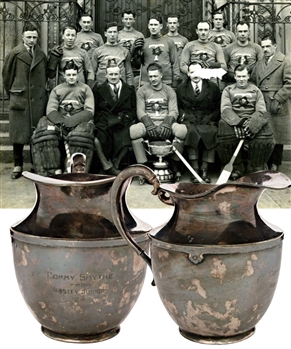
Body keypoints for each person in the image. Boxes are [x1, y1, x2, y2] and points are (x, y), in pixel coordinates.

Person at [2, 23, 50, 179]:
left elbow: (47, 74)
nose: (31, 40)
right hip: (20, 99)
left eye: (34, 37)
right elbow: (7, 77)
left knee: (36, 134)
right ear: (22, 37)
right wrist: (14, 93)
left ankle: (36, 164)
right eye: (28, 37)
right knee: (18, 135)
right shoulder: (14, 54)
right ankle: (18, 165)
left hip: (37, 100)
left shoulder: (41, 54)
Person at [31, 60, 95, 176]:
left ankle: (74, 170)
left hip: (79, 121)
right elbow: (51, 109)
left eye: (74, 74)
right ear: (64, 75)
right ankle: (51, 170)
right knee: (45, 134)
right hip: (60, 121)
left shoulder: (85, 89)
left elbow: (89, 110)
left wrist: (71, 122)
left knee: (79, 137)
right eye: (69, 75)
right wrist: (62, 123)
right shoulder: (57, 89)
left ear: (78, 75)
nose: (71, 77)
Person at [129, 63, 187, 181]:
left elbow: (174, 111)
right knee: (134, 131)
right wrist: (149, 124)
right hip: (149, 123)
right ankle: (143, 167)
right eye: (150, 76)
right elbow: (140, 111)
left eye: (155, 76)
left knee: (182, 131)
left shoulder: (169, 90)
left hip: (165, 122)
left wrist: (167, 123)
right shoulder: (142, 91)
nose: (153, 79)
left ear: (161, 75)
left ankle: (175, 164)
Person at [217, 64, 274, 180]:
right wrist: (238, 122)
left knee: (266, 133)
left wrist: (253, 123)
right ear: (235, 77)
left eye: (244, 76)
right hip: (234, 120)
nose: (241, 79)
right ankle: (236, 167)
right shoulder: (228, 90)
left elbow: (261, 109)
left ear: (248, 76)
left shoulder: (255, 90)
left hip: (252, 119)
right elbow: (225, 108)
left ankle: (255, 166)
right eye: (239, 76)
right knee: (224, 131)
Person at [251, 35, 291, 171]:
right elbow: (253, 80)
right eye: (263, 47)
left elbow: (289, 84)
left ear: (275, 46)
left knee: (277, 135)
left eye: (268, 46)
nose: (265, 49)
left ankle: (275, 164)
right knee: (264, 134)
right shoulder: (260, 62)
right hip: (262, 101)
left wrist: (278, 98)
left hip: (277, 102)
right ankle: (265, 163)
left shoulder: (285, 61)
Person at [176, 62, 221, 183]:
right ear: (188, 74)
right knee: (191, 131)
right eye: (192, 72)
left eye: (198, 72)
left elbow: (218, 107)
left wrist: (211, 117)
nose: (195, 75)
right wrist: (186, 116)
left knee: (211, 131)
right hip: (190, 119)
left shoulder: (212, 87)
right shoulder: (181, 89)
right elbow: (178, 108)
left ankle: (205, 168)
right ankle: (194, 169)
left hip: (207, 118)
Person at [92, 62, 137, 175]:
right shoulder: (98, 89)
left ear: (120, 74)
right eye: (110, 74)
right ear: (106, 75)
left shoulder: (130, 89)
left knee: (125, 135)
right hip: (104, 121)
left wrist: (125, 118)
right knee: (100, 137)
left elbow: (133, 110)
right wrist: (102, 119)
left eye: (116, 74)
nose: (113, 77)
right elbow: (95, 110)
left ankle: (116, 163)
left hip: (122, 121)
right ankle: (107, 166)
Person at [131, 15, 180, 88]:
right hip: (146, 81)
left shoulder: (169, 42)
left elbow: (175, 63)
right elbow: (137, 64)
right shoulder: (143, 42)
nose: (153, 27)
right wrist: (135, 51)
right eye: (151, 25)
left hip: (166, 81)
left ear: (161, 26)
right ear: (148, 26)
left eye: (155, 25)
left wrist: (175, 80)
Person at [91, 22, 134, 86]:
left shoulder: (124, 51)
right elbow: (92, 72)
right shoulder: (97, 51)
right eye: (110, 32)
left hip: (120, 87)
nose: (112, 34)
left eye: (115, 32)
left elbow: (129, 73)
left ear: (118, 34)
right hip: (101, 87)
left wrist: (130, 88)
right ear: (105, 34)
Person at [164, 13, 189, 83]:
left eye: (174, 23)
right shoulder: (163, 39)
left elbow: (187, 57)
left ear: (178, 24)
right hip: (167, 71)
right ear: (167, 24)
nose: (172, 25)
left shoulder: (184, 40)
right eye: (170, 23)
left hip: (181, 72)